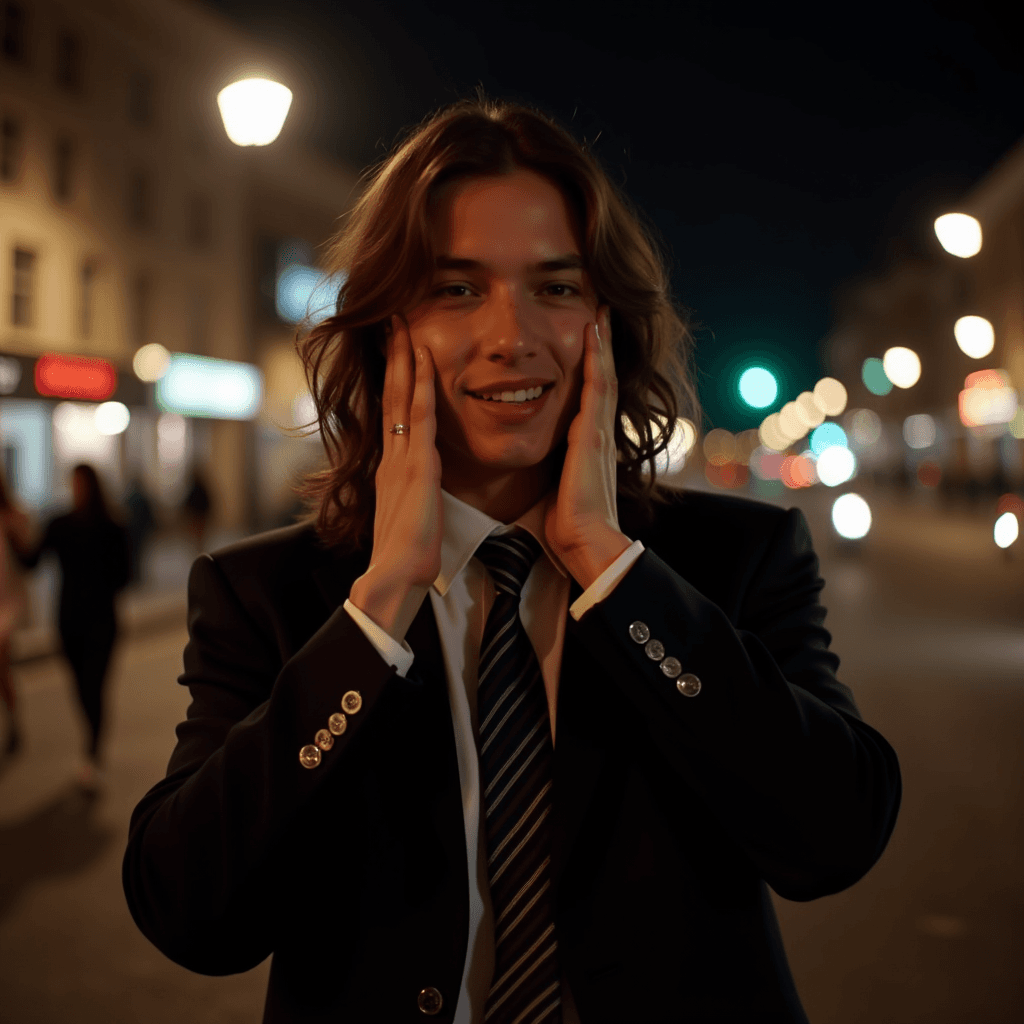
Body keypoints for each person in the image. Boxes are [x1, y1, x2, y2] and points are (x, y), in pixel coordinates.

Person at [123, 98, 901, 1023]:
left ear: (606, 322)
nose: (512, 336)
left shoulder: (735, 558)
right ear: (384, 327)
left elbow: (834, 839)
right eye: (457, 290)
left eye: (557, 288)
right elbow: (192, 917)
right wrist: (375, 616)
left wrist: (614, 572)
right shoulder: (269, 592)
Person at [20, 464, 130, 789]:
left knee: (94, 688)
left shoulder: (112, 526)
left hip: (102, 622)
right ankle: (92, 744)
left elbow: (124, 576)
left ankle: (92, 754)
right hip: (69, 620)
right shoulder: (60, 523)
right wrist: (14, 533)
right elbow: (32, 561)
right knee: (80, 688)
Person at [0, 468, 30, 755]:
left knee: (2, 662)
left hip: (6, 601)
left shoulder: (12, 516)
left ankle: (13, 722)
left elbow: (28, 553)